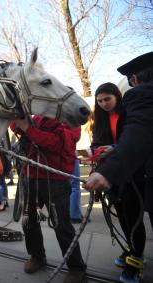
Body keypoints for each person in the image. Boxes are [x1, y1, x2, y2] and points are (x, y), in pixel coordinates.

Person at [85, 52, 153, 283]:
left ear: (117, 96)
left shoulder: (133, 107)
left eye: (108, 99)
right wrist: (96, 152)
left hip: (133, 174)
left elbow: (136, 137)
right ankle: (130, 249)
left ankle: (136, 258)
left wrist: (113, 151)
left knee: (134, 217)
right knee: (122, 216)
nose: (104, 104)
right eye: (100, 100)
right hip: (113, 176)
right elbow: (96, 140)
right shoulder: (100, 119)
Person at [11, 115, 86, 283]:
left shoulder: (71, 118)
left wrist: (27, 128)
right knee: (29, 221)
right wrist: (18, 119)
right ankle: (37, 257)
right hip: (31, 177)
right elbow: (15, 126)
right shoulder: (36, 117)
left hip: (55, 181)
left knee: (61, 225)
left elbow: (56, 143)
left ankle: (76, 268)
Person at [69, 150, 83, 223]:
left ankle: (75, 213)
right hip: (70, 155)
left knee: (66, 186)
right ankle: (75, 215)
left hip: (60, 157)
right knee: (75, 187)